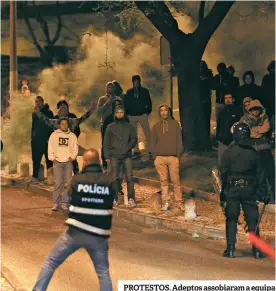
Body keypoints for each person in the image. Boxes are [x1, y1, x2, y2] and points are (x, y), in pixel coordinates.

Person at [33, 149, 114, 291]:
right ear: (99, 162)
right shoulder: (110, 181)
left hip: (75, 232)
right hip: (98, 235)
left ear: (85, 162)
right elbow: (113, 201)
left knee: (51, 262)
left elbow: (69, 196)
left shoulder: (76, 179)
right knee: (103, 273)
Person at [219, 122, 268, 259]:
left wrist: (223, 192)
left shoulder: (228, 152)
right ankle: (257, 250)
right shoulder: (254, 153)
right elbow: (260, 174)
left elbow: (222, 172)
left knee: (232, 218)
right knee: (252, 219)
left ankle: (230, 249)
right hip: (249, 189)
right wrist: (263, 191)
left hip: (233, 189)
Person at [240, 99, 275, 202]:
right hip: (253, 149)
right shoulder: (244, 118)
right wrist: (257, 131)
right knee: (258, 175)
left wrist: (254, 130)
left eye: (257, 109)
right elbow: (246, 131)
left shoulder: (264, 117)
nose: (255, 111)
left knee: (270, 172)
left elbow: (266, 128)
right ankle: (260, 196)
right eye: (253, 109)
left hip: (264, 148)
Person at [150, 105, 184, 211]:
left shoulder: (175, 125)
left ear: (169, 112)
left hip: (173, 157)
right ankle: (166, 202)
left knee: (176, 181)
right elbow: (152, 142)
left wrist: (178, 155)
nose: (164, 112)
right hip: (160, 158)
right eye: (161, 111)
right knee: (163, 181)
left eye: (166, 110)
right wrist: (154, 156)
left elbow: (179, 140)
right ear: (159, 113)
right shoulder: (156, 126)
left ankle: (179, 202)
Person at [104, 105, 137, 207]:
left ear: (124, 114)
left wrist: (127, 147)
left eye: (121, 112)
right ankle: (114, 198)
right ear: (115, 114)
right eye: (117, 112)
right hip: (114, 156)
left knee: (129, 177)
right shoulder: (110, 127)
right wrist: (106, 156)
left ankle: (131, 198)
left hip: (127, 155)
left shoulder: (129, 126)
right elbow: (106, 143)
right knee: (114, 178)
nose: (119, 114)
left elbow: (134, 139)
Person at [48, 118, 78, 211]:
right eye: (62, 124)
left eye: (66, 124)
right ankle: (55, 203)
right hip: (57, 162)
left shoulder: (72, 136)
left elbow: (75, 148)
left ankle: (65, 203)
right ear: (59, 125)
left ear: (68, 125)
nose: (64, 125)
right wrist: (53, 158)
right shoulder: (54, 135)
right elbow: (50, 147)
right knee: (57, 183)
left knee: (66, 183)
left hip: (68, 163)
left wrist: (72, 158)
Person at [124, 75, 152, 157]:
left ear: (140, 81)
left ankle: (151, 148)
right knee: (134, 133)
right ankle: (136, 150)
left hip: (142, 114)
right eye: (135, 81)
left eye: (137, 81)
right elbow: (126, 104)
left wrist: (147, 112)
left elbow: (149, 103)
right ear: (132, 82)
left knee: (147, 132)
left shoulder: (144, 91)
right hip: (132, 115)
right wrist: (128, 114)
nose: (136, 82)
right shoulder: (129, 92)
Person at [97, 82, 122, 170]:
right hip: (105, 123)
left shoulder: (118, 99)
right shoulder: (102, 99)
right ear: (106, 89)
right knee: (105, 143)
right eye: (109, 87)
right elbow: (98, 111)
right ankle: (104, 162)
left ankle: (116, 161)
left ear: (114, 89)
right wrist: (107, 103)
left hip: (116, 124)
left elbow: (121, 111)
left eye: (112, 87)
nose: (110, 89)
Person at [29, 96, 54, 184]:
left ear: (42, 102)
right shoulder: (34, 113)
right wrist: (32, 137)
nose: (37, 103)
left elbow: (50, 126)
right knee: (35, 159)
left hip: (47, 139)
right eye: (36, 101)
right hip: (36, 140)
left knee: (49, 159)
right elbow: (34, 127)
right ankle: (35, 177)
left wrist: (50, 138)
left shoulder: (49, 112)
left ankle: (50, 178)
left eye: (39, 101)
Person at [216, 93, 242, 163]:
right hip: (223, 141)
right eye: (226, 98)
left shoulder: (238, 111)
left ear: (233, 99)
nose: (227, 100)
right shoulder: (222, 111)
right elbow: (219, 125)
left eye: (229, 98)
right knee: (222, 160)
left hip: (234, 141)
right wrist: (218, 137)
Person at [200, 61, 213, 138]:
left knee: (206, 119)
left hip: (206, 100)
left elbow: (211, 85)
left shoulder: (208, 75)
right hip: (199, 100)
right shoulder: (196, 75)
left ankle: (206, 136)